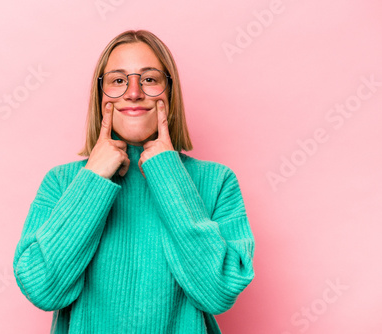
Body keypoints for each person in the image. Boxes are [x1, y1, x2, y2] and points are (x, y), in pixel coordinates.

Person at [13, 29, 255, 334]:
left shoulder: (217, 181)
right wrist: (93, 178)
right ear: (101, 95)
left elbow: (218, 291)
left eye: (150, 79)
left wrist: (167, 173)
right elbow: (42, 288)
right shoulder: (62, 183)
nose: (134, 92)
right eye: (118, 80)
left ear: (170, 91)